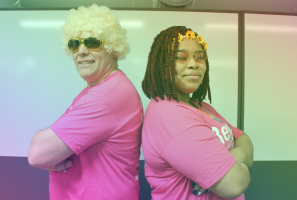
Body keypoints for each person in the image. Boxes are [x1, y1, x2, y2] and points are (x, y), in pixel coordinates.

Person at [28, 5, 143, 200]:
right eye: (74, 44)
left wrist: (48, 147)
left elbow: (37, 154)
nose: (81, 51)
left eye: (92, 43)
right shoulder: (98, 89)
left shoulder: (107, 96)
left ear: (113, 49)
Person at [141, 26, 253, 200]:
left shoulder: (202, 107)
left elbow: (243, 137)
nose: (193, 64)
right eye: (181, 57)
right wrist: (239, 165)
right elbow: (234, 183)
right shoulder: (168, 113)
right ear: (163, 64)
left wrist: (232, 158)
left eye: (199, 57)